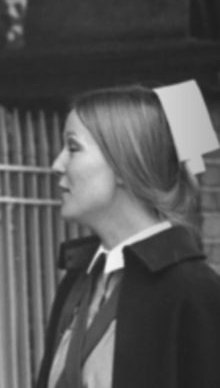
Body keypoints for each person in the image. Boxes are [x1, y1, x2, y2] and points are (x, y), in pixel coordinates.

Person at [36, 81, 220, 388]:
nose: (57, 165)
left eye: (73, 148)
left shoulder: (194, 291)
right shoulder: (78, 280)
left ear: (125, 163)